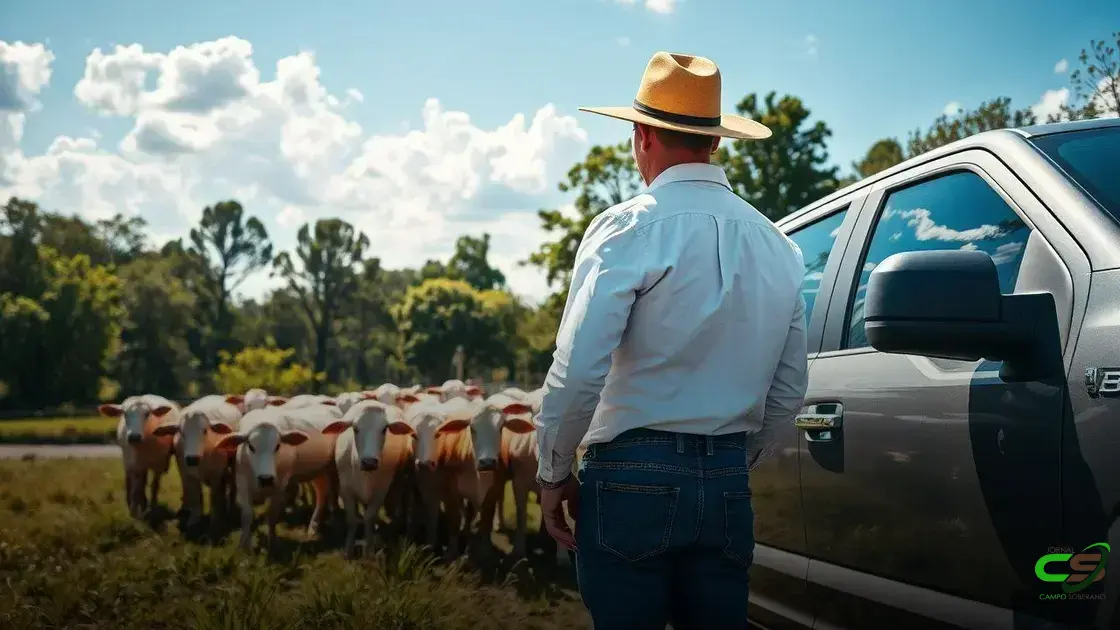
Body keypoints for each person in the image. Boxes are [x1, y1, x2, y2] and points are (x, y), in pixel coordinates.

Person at [533, 51, 810, 630]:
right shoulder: (778, 246)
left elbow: (579, 368)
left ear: (641, 136)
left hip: (631, 476)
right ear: (714, 142)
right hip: (729, 481)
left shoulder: (627, 228)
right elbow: (788, 389)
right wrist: (731, 462)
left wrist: (554, 470)